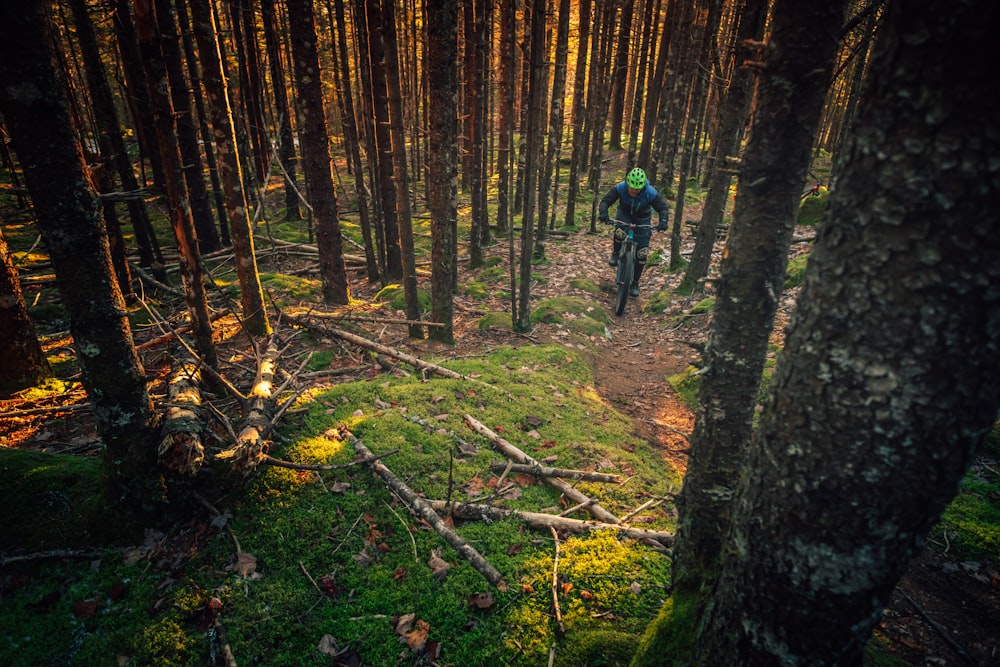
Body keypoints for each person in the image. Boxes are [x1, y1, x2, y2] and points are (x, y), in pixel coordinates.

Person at [598, 167, 669, 296]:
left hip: (642, 218)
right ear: (628, 183)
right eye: (631, 188)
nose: (634, 191)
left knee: (642, 253)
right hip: (624, 214)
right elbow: (606, 201)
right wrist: (603, 213)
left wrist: (663, 221)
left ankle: (635, 282)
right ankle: (615, 252)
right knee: (620, 232)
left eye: (637, 189)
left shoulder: (650, 193)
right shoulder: (620, 188)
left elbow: (662, 208)